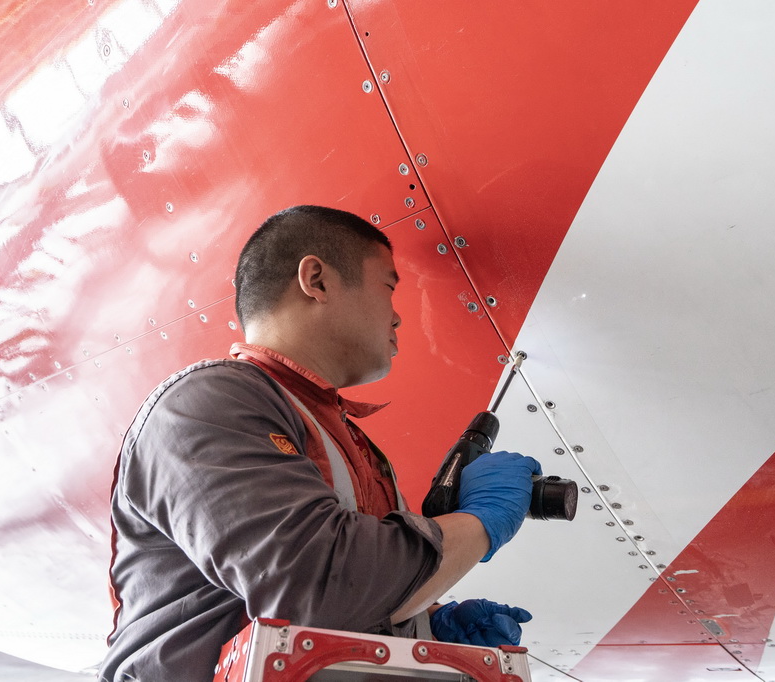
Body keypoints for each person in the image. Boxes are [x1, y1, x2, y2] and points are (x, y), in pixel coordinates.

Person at [100, 205, 541, 681]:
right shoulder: (208, 404)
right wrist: (481, 521)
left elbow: (343, 605)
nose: (397, 319)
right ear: (317, 279)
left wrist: (424, 629)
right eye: (389, 288)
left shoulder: (339, 436)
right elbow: (317, 589)